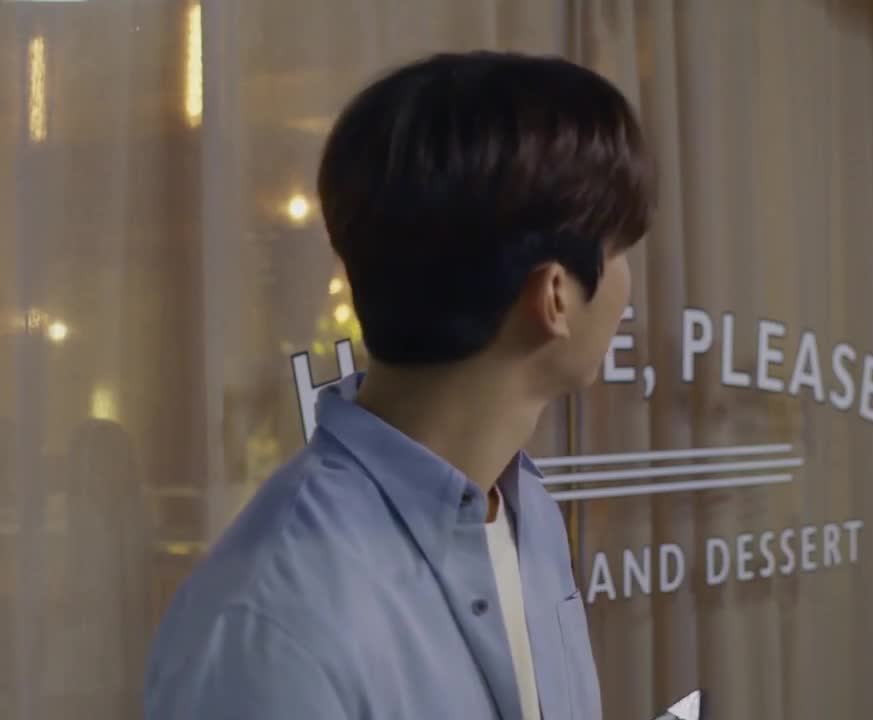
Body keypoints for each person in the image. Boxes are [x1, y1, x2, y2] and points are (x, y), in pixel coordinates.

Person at [144, 51, 653, 720]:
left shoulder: (525, 509)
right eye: (618, 250)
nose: (628, 284)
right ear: (555, 296)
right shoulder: (270, 627)